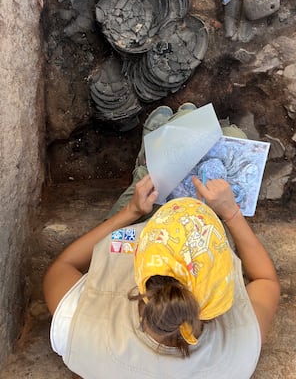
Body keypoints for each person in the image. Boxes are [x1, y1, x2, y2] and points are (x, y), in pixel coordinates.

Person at [43, 106, 280, 379]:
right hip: (185, 221)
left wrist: (131, 212)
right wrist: (231, 213)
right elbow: (266, 280)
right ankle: (174, 129)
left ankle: (154, 152)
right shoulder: (239, 348)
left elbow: (62, 266)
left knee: (153, 173)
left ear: (141, 272)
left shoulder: (79, 330)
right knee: (230, 135)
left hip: (138, 225)